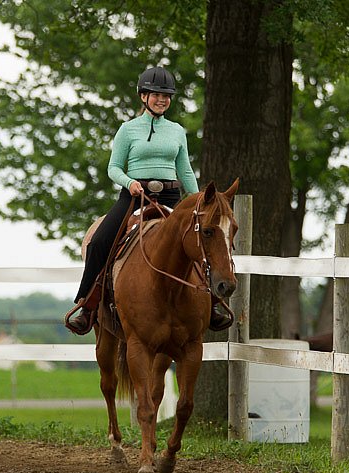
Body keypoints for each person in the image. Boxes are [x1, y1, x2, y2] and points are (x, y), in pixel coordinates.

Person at [65, 65, 230, 334]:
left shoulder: (176, 131)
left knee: (198, 240)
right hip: (134, 196)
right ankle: (87, 305)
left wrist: (200, 199)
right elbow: (114, 168)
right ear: (143, 96)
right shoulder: (127, 130)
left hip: (170, 195)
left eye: (166, 96)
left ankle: (211, 303)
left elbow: (185, 169)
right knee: (99, 242)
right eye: (156, 94)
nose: (162, 99)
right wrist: (129, 183)